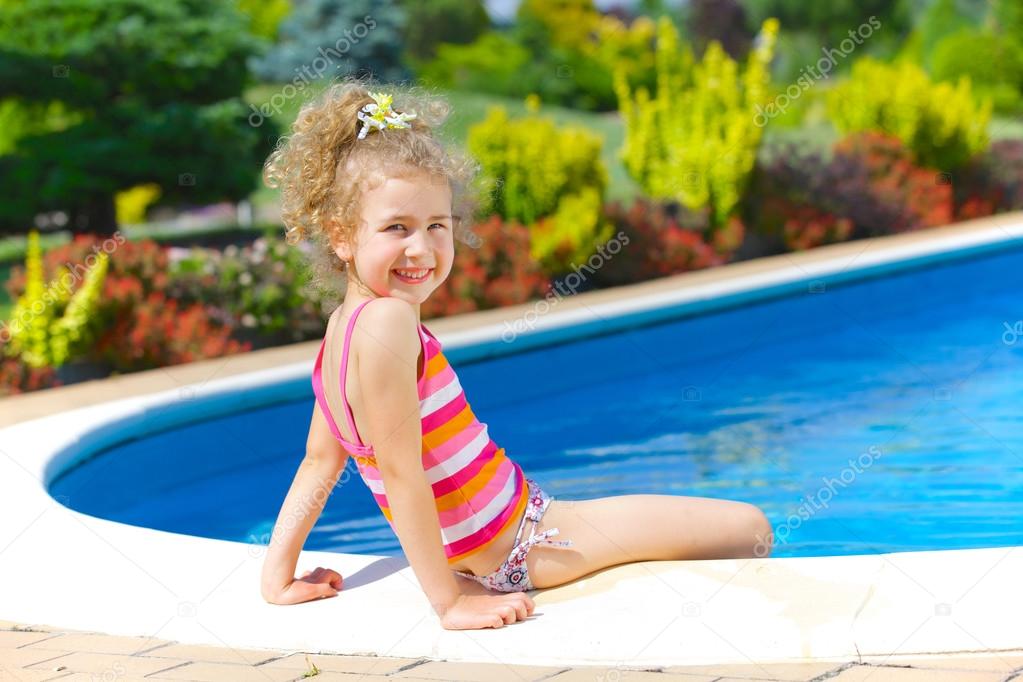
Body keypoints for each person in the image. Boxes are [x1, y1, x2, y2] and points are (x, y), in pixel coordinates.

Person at [258, 77, 774, 631]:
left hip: (499, 545)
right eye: (396, 228)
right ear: (340, 235)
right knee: (751, 527)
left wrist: (278, 577)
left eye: (437, 225)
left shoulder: (341, 332)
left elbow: (320, 461)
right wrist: (449, 603)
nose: (421, 248)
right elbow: (401, 470)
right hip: (528, 542)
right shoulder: (389, 321)